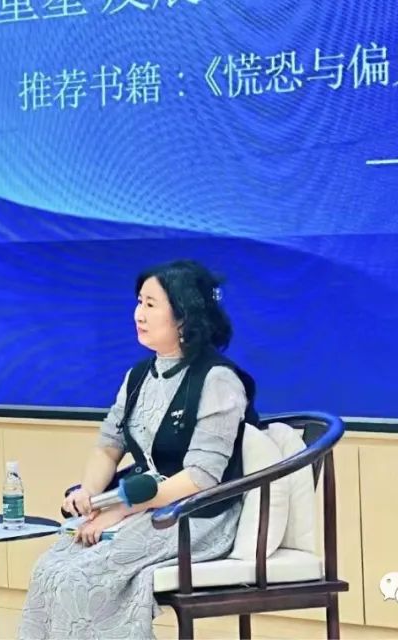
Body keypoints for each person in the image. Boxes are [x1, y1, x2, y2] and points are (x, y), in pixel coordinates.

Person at [18, 259, 259, 639]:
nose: (138, 314)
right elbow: (108, 447)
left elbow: (201, 477)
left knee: (84, 577)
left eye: (150, 304)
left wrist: (120, 510)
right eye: (138, 302)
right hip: (145, 506)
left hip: (195, 516)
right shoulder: (137, 376)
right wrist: (89, 495)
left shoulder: (218, 380)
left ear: (184, 315)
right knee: (51, 568)